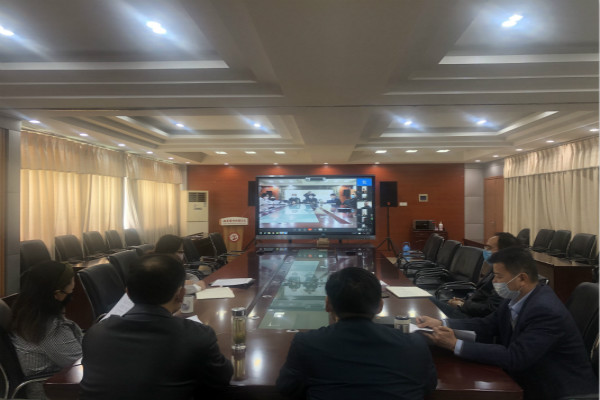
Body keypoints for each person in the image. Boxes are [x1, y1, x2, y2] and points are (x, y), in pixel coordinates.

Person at [416, 247, 598, 400]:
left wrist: (455, 344)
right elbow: (487, 325)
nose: (494, 282)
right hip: (529, 375)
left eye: (498, 277)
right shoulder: (515, 297)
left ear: (522, 279)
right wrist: (441, 322)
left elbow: (515, 357)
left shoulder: (545, 310)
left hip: (558, 390)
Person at [81, 254, 233, 399]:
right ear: (181, 295)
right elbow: (222, 378)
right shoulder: (197, 335)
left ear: (128, 294)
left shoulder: (95, 334)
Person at [277, 267, 437, 400]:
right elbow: (428, 387)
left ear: (328, 304)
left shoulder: (306, 344)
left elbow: (287, 388)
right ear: (380, 306)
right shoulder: (415, 345)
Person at [10, 261, 83, 398]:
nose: (71, 295)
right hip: (52, 391)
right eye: (70, 291)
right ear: (57, 294)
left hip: (57, 382)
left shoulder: (28, 311)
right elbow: (80, 362)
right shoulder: (47, 328)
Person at [430, 232, 519, 319]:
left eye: (489, 248)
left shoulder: (507, 275)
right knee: (428, 303)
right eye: (486, 247)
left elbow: (490, 309)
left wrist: (462, 305)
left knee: (429, 302)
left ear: (503, 251)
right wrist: (464, 300)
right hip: (468, 309)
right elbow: (481, 294)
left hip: (473, 318)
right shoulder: (494, 268)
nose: (486, 251)